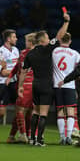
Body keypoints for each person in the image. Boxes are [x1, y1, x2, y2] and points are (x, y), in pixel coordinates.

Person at [18, 12, 70, 146]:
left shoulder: (30, 54)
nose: (49, 39)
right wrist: (66, 22)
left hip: (35, 84)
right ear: (42, 41)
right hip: (47, 84)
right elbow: (60, 36)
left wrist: (20, 86)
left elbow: (23, 71)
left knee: (35, 111)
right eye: (47, 38)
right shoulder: (47, 49)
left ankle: (31, 138)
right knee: (44, 113)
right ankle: (39, 140)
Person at [6, 33, 37, 143]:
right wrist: (10, 76)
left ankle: (23, 135)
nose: (25, 43)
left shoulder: (32, 53)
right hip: (28, 84)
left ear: (31, 42)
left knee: (21, 111)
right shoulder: (23, 53)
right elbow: (17, 66)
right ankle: (13, 136)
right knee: (26, 112)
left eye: (26, 41)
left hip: (26, 85)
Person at [53, 32, 80, 145]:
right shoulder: (75, 54)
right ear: (70, 41)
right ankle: (69, 136)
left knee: (60, 111)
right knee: (70, 111)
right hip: (69, 86)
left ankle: (62, 138)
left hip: (56, 85)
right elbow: (77, 72)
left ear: (60, 40)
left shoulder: (54, 52)